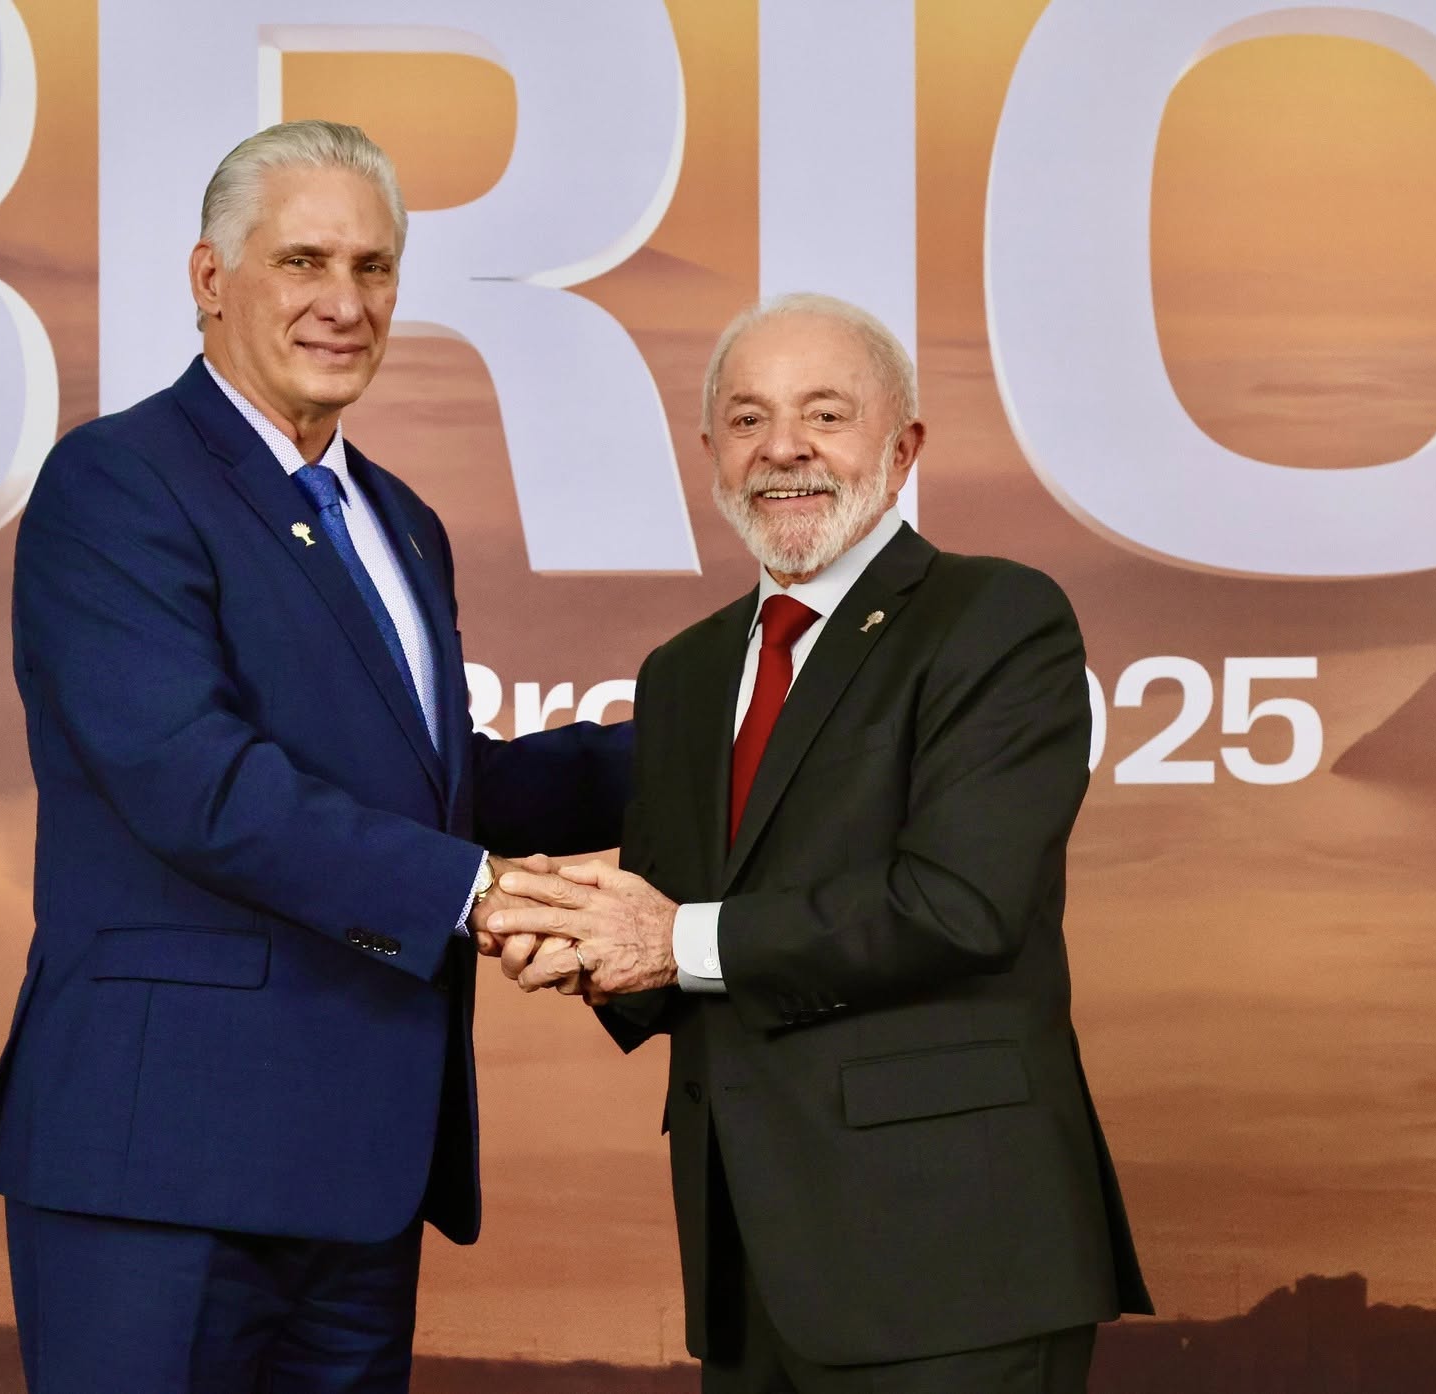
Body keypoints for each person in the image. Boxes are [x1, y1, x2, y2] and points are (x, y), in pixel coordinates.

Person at [0, 120, 628, 1394]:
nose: (343, 303)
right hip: (158, 1170)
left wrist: (706, 745)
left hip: (355, 1177)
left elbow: (426, 791)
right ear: (211, 279)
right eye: (303, 261)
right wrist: (474, 893)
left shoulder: (400, 521)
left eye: (373, 269)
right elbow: (192, 780)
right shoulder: (116, 484)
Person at [488, 294, 1152, 1392]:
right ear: (709, 456)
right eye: (745, 420)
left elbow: (959, 903)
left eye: (823, 414)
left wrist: (667, 939)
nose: (781, 447)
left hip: (951, 1267)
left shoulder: (995, 619)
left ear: (901, 451)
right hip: (747, 1272)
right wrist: (581, 951)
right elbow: (677, 934)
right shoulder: (686, 671)